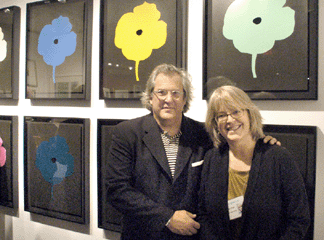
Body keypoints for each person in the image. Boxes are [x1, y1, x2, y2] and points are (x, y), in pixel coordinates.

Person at [106, 64, 279, 240]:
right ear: (150, 97)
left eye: (176, 93)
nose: (169, 99)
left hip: (192, 236)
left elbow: (236, 145)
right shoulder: (127, 133)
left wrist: (261, 143)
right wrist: (167, 217)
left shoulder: (204, 134)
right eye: (161, 92)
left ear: (184, 99)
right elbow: (117, 191)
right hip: (143, 234)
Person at [198, 85, 310, 240]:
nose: (230, 120)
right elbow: (203, 214)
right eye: (221, 115)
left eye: (236, 111)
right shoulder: (212, 159)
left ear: (250, 114)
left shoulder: (278, 158)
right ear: (216, 123)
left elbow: (299, 219)